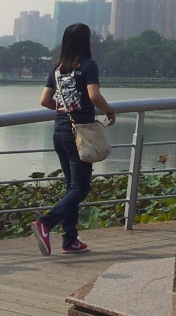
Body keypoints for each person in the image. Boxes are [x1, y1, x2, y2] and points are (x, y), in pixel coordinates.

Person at [31, 22, 115, 256]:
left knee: (72, 187)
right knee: (80, 188)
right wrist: (109, 110)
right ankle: (45, 223)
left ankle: (70, 239)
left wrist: (65, 108)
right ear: (86, 41)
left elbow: (45, 100)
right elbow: (94, 96)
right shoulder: (88, 65)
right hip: (80, 133)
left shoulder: (57, 69)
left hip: (60, 131)